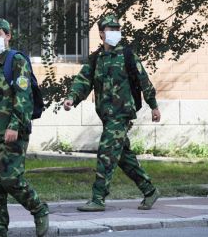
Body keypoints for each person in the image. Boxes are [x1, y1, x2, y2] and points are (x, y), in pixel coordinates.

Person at [63, 14, 161, 212]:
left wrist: (154, 105)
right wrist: (72, 98)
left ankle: (98, 198)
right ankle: (149, 190)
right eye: (110, 29)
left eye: (117, 29)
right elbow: (83, 81)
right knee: (123, 157)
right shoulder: (96, 59)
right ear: (101, 34)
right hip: (107, 116)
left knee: (106, 154)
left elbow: (144, 81)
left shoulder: (127, 55)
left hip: (122, 114)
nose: (115, 33)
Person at [0, 18, 49, 237]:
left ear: (8, 35)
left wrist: (14, 126)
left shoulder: (17, 60)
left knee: (11, 179)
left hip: (13, 132)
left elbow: (23, 96)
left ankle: (38, 208)